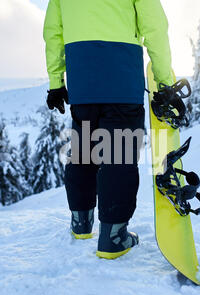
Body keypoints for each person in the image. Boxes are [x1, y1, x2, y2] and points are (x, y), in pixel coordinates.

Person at [43, 0, 174, 259]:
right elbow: (155, 26)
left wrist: (56, 81)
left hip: (83, 81)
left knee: (82, 151)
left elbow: (53, 32)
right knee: (119, 156)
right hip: (122, 78)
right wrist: (164, 81)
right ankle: (113, 237)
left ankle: (81, 224)